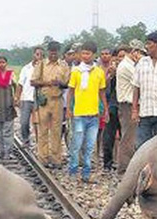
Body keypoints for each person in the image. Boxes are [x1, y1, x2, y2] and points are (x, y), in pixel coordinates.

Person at [67, 41, 108, 183]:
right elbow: (70, 92)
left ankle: (86, 173)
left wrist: (105, 110)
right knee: (77, 144)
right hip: (79, 114)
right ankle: (72, 171)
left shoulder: (99, 73)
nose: (85, 56)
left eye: (88, 53)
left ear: (93, 55)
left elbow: (102, 93)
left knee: (90, 146)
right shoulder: (76, 72)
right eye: (83, 53)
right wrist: (69, 109)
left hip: (94, 115)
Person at [31, 40, 70, 168]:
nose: (53, 55)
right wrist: (47, 83)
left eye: (55, 53)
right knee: (42, 130)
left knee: (56, 131)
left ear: (59, 52)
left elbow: (67, 84)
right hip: (44, 101)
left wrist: (59, 82)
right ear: (48, 52)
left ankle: (56, 159)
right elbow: (33, 82)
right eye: (51, 53)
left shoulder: (64, 66)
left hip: (57, 100)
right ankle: (43, 158)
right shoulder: (41, 65)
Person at [114, 40, 144, 175]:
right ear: (134, 52)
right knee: (128, 137)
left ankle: (126, 167)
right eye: (141, 53)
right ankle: (124, 168)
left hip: (130, 104)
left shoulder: (129, 65)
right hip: (127, 105)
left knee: (130, 136)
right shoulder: (127, 66)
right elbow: (141, 81)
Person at [0, 56, 17, 160]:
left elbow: (16, 86)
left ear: (6, 63)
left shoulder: (11, 74)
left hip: (8, 104)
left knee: (8, 130)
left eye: (3, 62)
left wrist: (16, 98)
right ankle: (1, 151)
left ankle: (8, 152)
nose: (1, 64)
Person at [15, 46, 43, 145]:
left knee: (38, 123)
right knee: (24, 122)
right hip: (26, 98)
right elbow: (20, 84)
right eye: (37, 54)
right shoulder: (26, 68)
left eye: (41, 54)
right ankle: (26, 139)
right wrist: (17, 97)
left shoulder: (45, 68)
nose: (39, 56)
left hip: (39, 99)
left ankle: (39, 142)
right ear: (33, 54)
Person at [101, 49, 119, 171]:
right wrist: (110, 75)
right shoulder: (109, 71)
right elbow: (104, 88)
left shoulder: (130, 69)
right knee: (108, 135)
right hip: (111, 104)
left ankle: (121, 161)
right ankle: (107, 162)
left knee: (124, 137)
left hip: (124, 105)